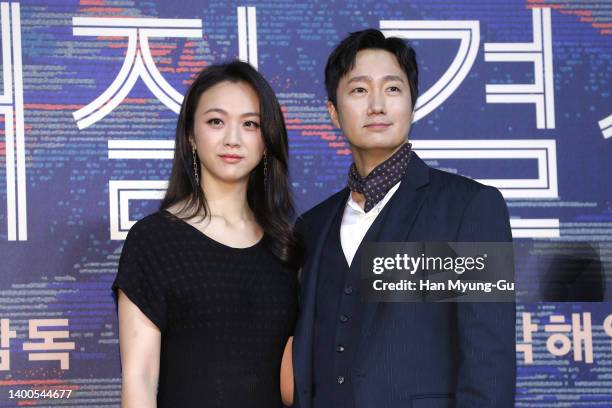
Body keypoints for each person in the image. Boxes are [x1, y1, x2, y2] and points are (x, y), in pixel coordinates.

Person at [291, 29, 516, 408]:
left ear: (412, 104)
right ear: (333, 111)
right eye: (359, 90)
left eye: (393, 89)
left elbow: (488, 360)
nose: (377, 105)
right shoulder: (312, 227)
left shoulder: (470, 207)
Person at [112, 61, 300, 407]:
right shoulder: (154, 240)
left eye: (250, 124)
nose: (232, 138)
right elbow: (139, 379)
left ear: (266, 140)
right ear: (190, 136)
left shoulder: (287, 246)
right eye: (216, 121)